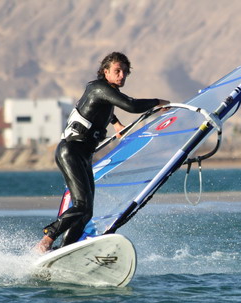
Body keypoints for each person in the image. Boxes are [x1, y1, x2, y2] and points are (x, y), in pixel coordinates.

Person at [35, 52, 170, 253]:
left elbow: (102, 110)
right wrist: (158, 101)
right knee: (81, 205)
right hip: (70, 151)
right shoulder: (98, 87)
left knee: (86, 211)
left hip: (83, 154)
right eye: (117, 71)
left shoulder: (105, 94)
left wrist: (115, 124)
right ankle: (47, 239)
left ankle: (64, 251)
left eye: (125, 72)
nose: (122, 75)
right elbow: (131, 105)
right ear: (105, 72)